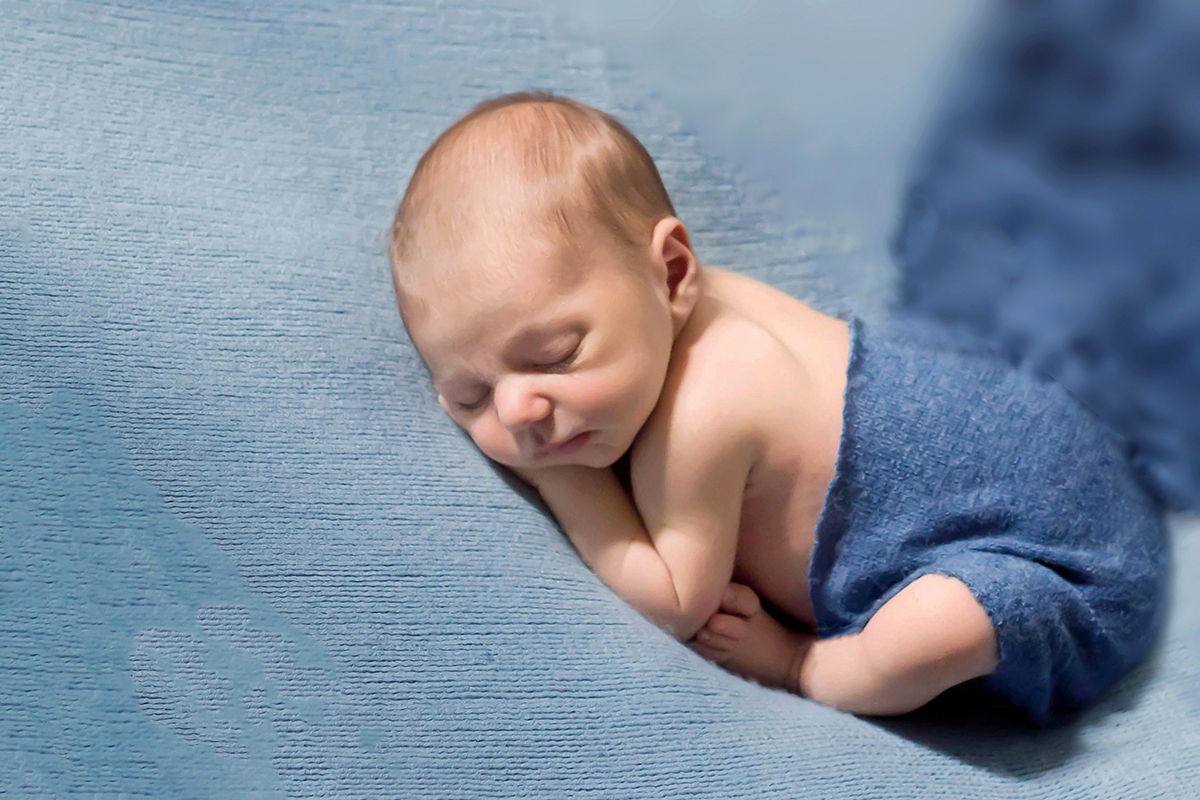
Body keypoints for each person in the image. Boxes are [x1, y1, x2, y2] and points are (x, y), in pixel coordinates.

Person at [388, 90, 1167, 727]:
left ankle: (819, 668)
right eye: (470, 395)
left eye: (554, 355)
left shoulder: (704, 404)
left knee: (934, 630)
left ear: (671, 271)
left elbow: (674, 600)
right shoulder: (686, 305)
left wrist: (563, 482)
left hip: (1071, 575)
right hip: (1059, 464)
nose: (519, 410)